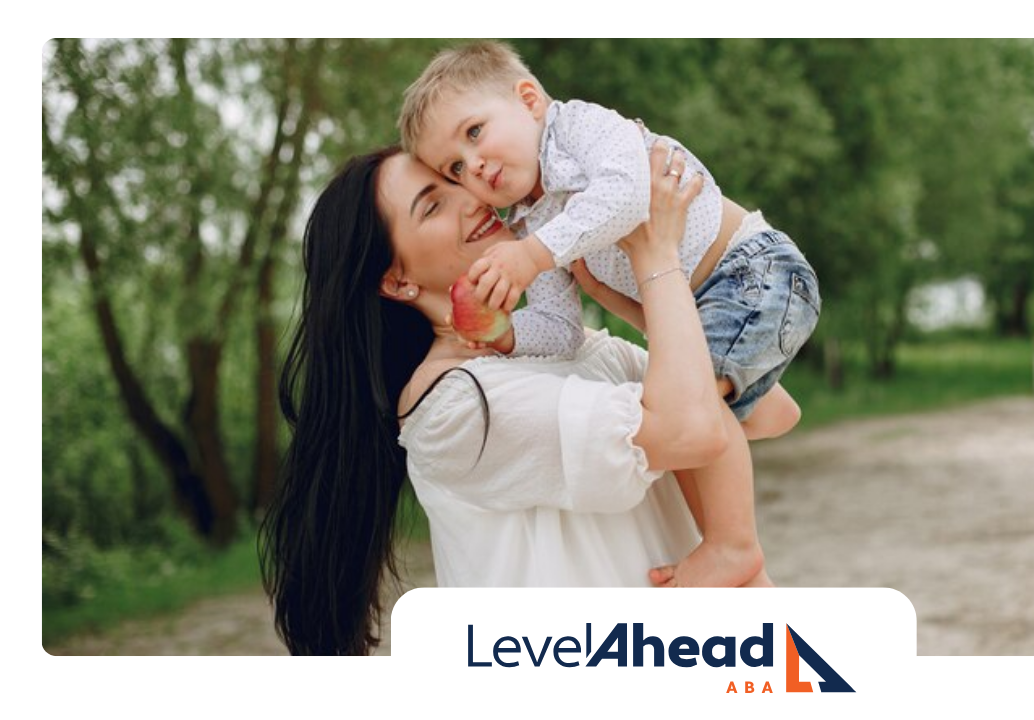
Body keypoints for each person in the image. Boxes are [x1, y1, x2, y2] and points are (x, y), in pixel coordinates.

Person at [260, 142, 739, 655]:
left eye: (458, 179)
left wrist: (637, 292)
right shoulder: (451, 407)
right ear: (397, 280)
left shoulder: (585, 350)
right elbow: (692, 431)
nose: (472, 198)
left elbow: (757, 408)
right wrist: (657, 255)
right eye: (432, 205)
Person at [397, 40, 821, 588]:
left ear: (528, 99)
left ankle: (731, 544)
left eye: (475, 132)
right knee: (691, 400)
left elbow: (629, 195)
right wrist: (506, 335)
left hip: (751, 273)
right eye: (456, 167)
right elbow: (559, 328)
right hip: (699, 302)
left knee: (691, 406)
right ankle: (756, 407)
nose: (473, 165)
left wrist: (533, 255)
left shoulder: (579, 129)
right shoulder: (531, 221)